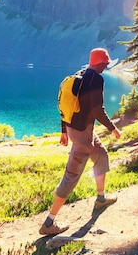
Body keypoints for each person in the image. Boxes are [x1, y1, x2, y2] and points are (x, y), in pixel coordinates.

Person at [39, 47, 122, 236]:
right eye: (106, 64)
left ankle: (100, 198)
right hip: (83, 136)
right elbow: (97, 110)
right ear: (100, 63)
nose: (106, 67)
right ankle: (49, 222)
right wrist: (113, 128)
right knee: (71, 176)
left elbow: (65, 104)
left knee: (101, 155)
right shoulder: (96, 79)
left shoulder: (78, 75)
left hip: (76, 130)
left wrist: (64, 131)